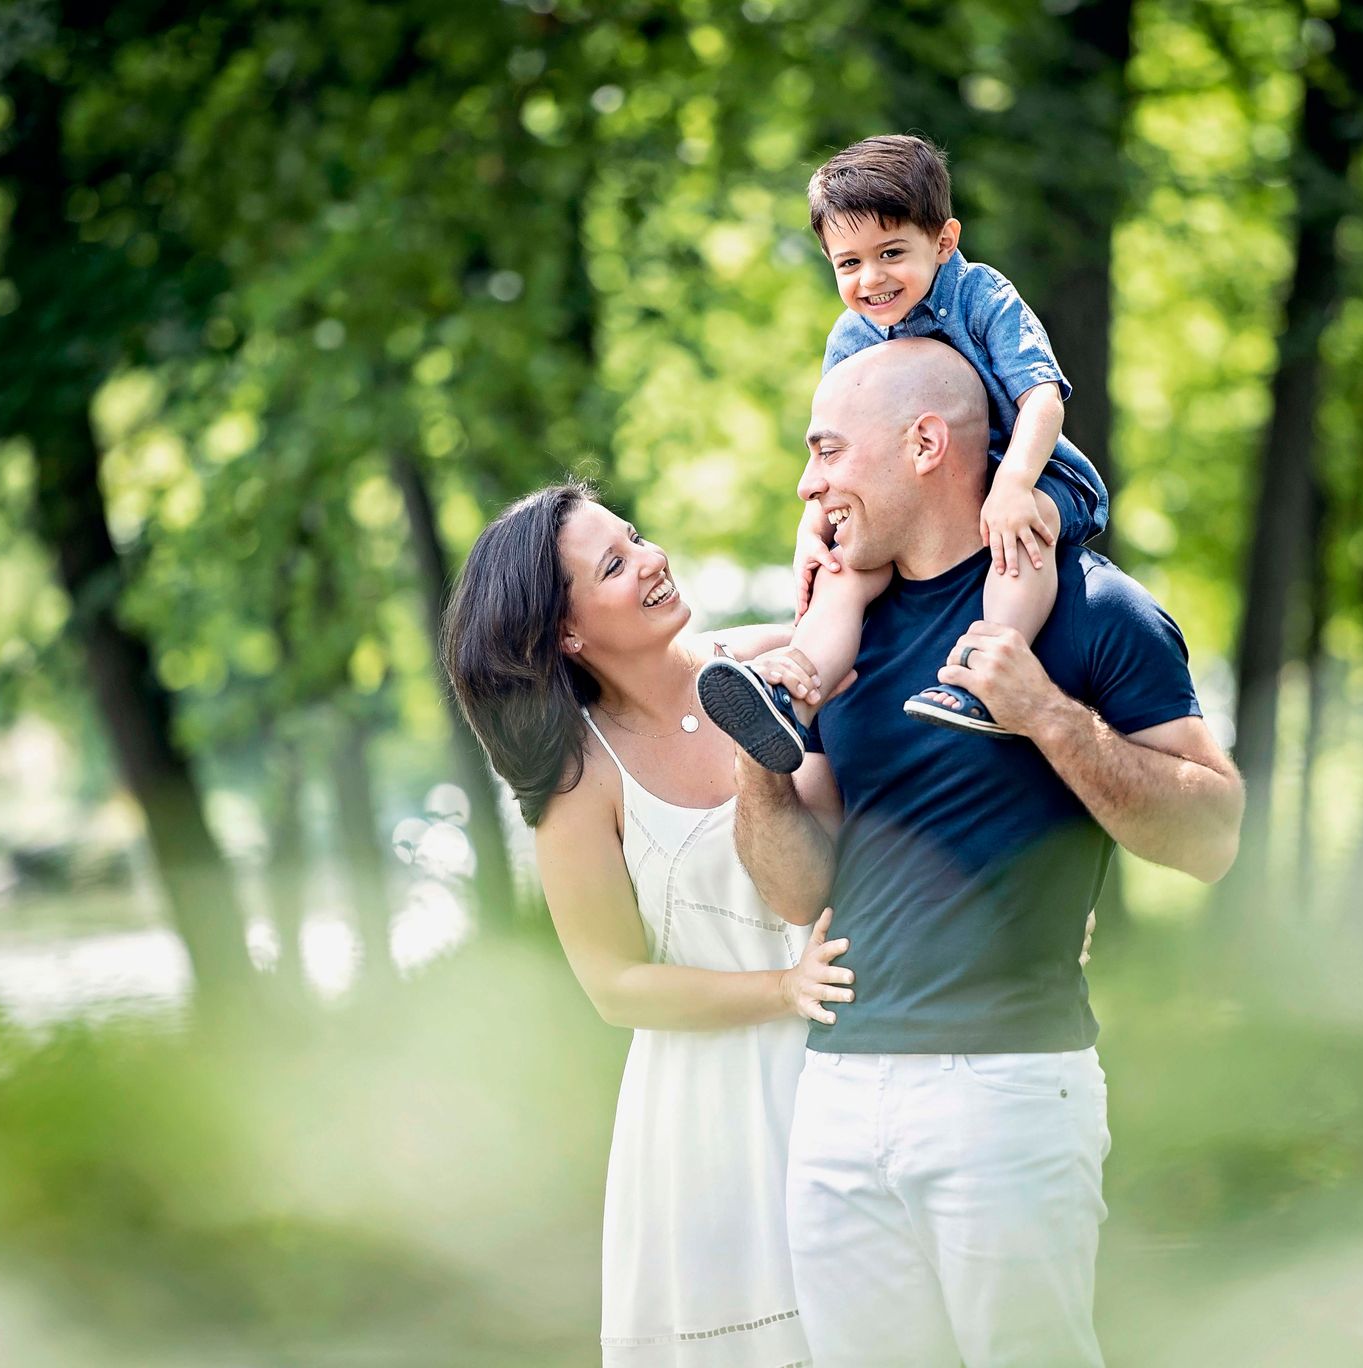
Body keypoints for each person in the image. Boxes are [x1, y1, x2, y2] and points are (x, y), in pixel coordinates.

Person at [731, 339, 1245, 1367]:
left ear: (923, 443)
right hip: (836, 1092)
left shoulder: (1095, 612)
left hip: (1006, 1089)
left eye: (828, 450)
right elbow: (799, 891)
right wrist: (763, 754)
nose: (808, 483)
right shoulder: (843, 631)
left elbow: (1212, 836)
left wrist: (1046, 715)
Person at [442, 482, 854, 1368]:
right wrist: (781, 988)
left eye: (635, 536)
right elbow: (613, 985)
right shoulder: (578, 780)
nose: (653, 558)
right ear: (566, 632)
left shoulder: (769, 660)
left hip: (858, 1060)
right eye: (616, 564)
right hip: (716, 1114)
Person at [697, 133, 1111, 770]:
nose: (871, 279)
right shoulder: (850, 335)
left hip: (1029, 467)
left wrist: (1012, 488)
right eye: (848, 264)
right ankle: (794, 693)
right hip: (918, 498)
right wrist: (813, 531)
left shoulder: (982, 297)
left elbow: (1043, 400)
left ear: (943, 241)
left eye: (892, 253)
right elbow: (836, 447)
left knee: (1021, 533)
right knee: (846, 570)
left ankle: (989, 669)